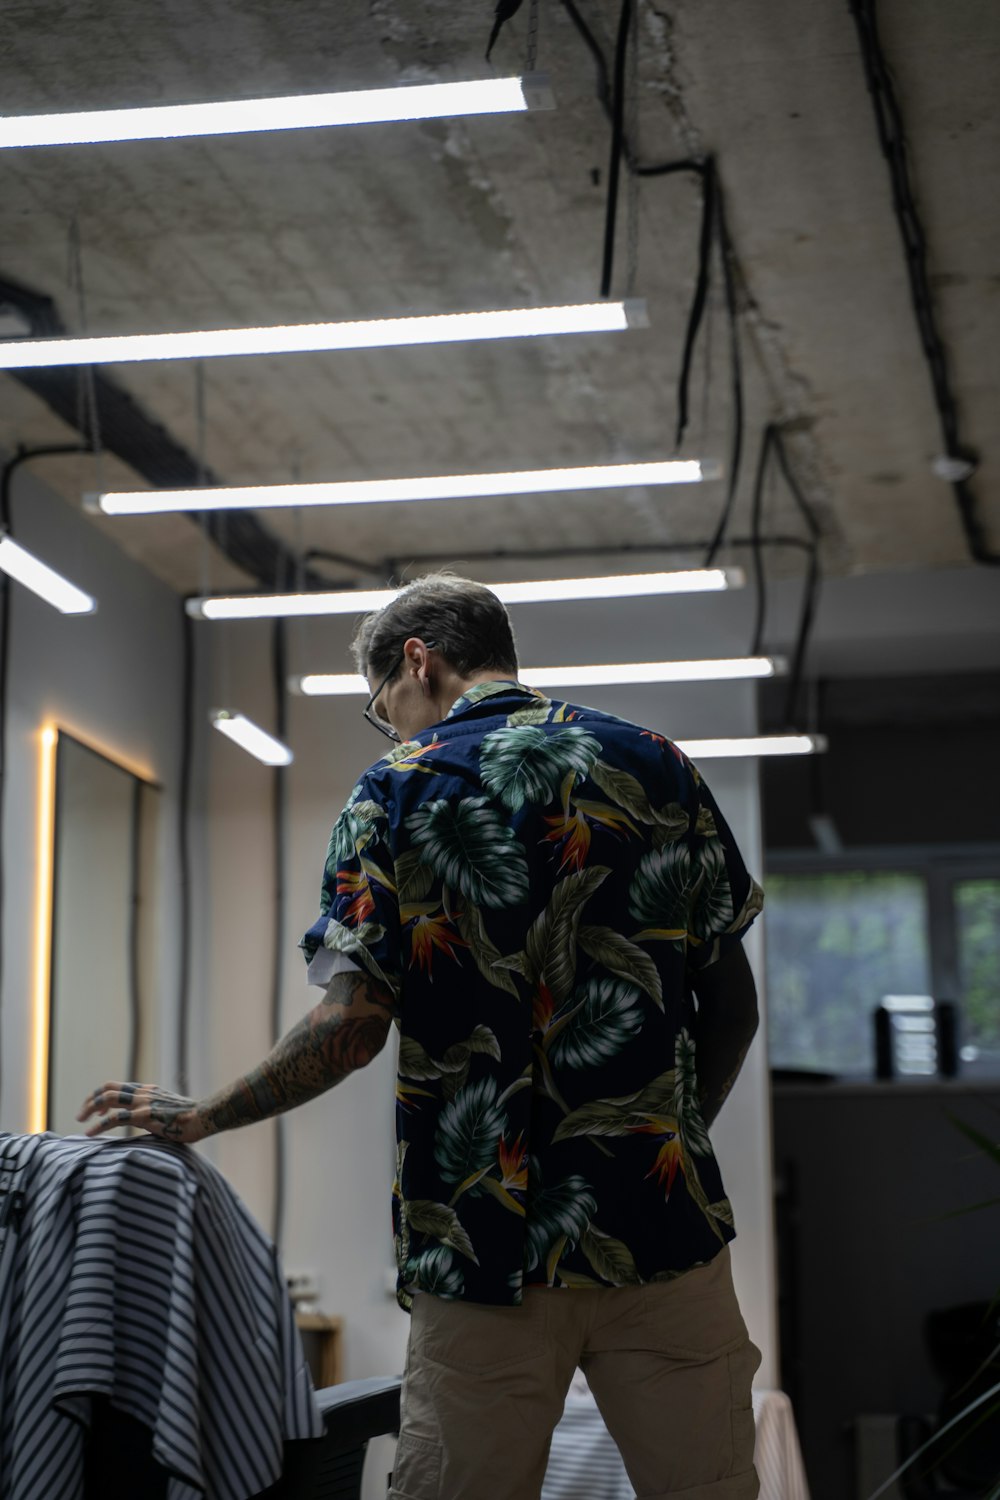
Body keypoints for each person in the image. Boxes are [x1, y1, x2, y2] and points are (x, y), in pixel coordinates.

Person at [80, 573, 764, 1500]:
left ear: (419, 661)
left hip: (482, 1244)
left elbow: (355, 1025)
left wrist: (203, 1116)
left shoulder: (398, 789)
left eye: (382, 709)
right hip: (663, 1233)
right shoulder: (656, 764)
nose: (392, 728)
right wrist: (666, 1141)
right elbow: (732, 1007)